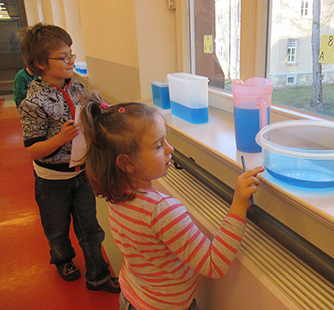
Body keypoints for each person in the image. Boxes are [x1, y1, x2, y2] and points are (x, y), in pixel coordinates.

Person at [79, 93, 265, 310]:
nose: (170, 149)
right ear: (127, 163)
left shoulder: (117, 194)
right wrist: (239, 205)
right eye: (158, 145)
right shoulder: (161, 211)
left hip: (131, 296)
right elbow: (214, 265)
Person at [18, 22, 120, 293]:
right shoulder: (33, 102)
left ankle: (98, 275)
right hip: (52, 180)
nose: (71, 61)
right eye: (64, 58)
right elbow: (33, 150)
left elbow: (93, 108)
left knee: (90, 227)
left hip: (82, 173)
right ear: (40, 63)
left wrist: (103, 111)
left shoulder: (77, 88)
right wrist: (60, 138)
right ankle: (62, 259)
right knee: (57, 227)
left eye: (71, 54)